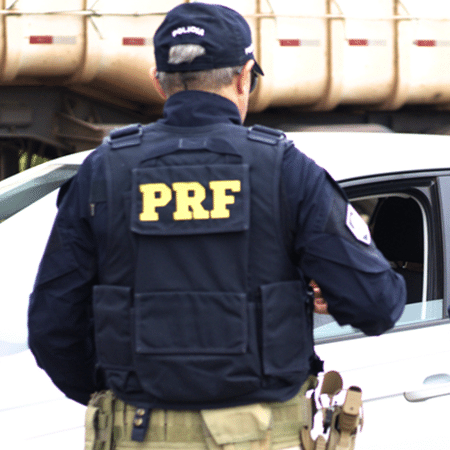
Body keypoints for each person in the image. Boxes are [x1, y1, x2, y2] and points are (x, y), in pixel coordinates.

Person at [28, 3, 406, 449]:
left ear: (158, 82)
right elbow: (377, 305)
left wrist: (120, 397)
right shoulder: (287, 171)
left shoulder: (104, 171)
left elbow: (53, 328)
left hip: (137, 434)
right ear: (244, 76)